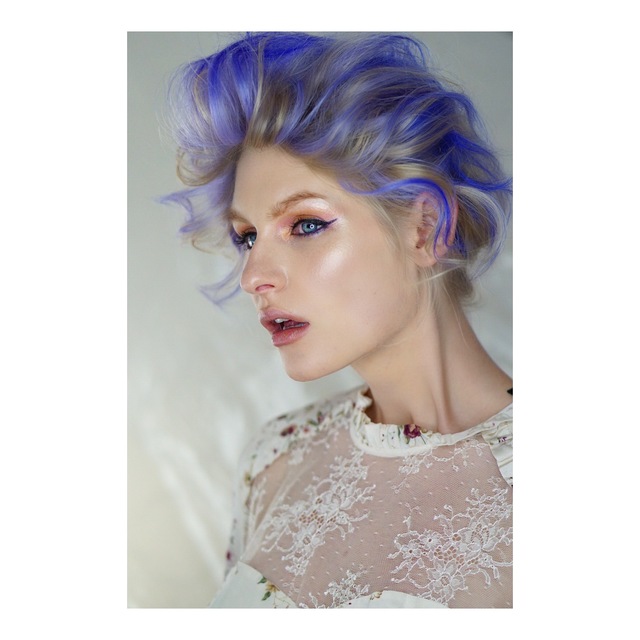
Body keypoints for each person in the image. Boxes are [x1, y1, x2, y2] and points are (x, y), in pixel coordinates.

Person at [163, 32, 512, 608]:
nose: (253, 276)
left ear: (424, 228)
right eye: (247, 236)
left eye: (305, 224)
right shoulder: (276, 459)